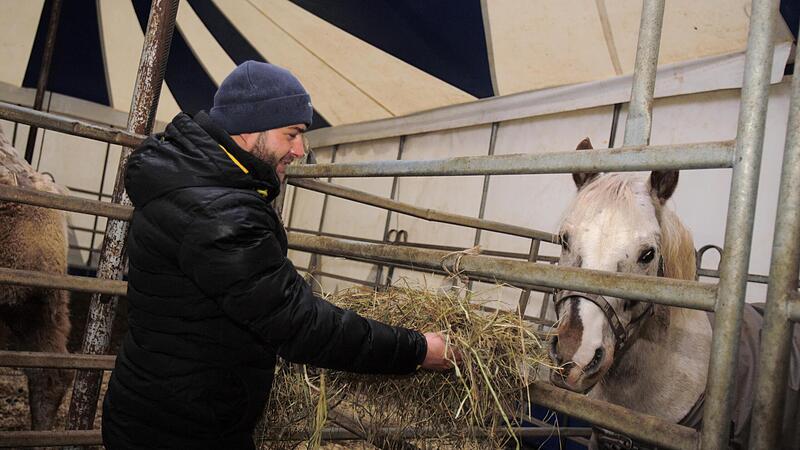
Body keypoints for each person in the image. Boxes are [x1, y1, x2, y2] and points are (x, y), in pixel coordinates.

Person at [102, 61, 454, 449]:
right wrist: (418, 349)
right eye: (292, 134)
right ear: (250, 126)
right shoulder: (220, 213)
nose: (300, 150)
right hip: (180, 430)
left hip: (167, 411)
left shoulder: (195, 184)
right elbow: (299, 324)